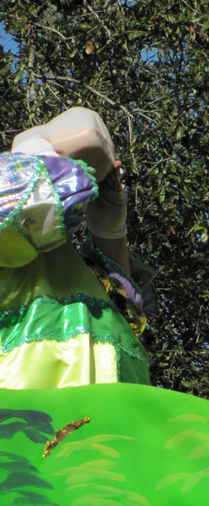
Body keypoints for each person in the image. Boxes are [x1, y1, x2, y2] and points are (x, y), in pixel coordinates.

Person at [0, 107, 155, 388]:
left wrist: (109, 231)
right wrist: (38, 158)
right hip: (34, 406)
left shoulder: (66, 263)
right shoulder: (14, 211)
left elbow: (122, 316)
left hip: (109, 410)